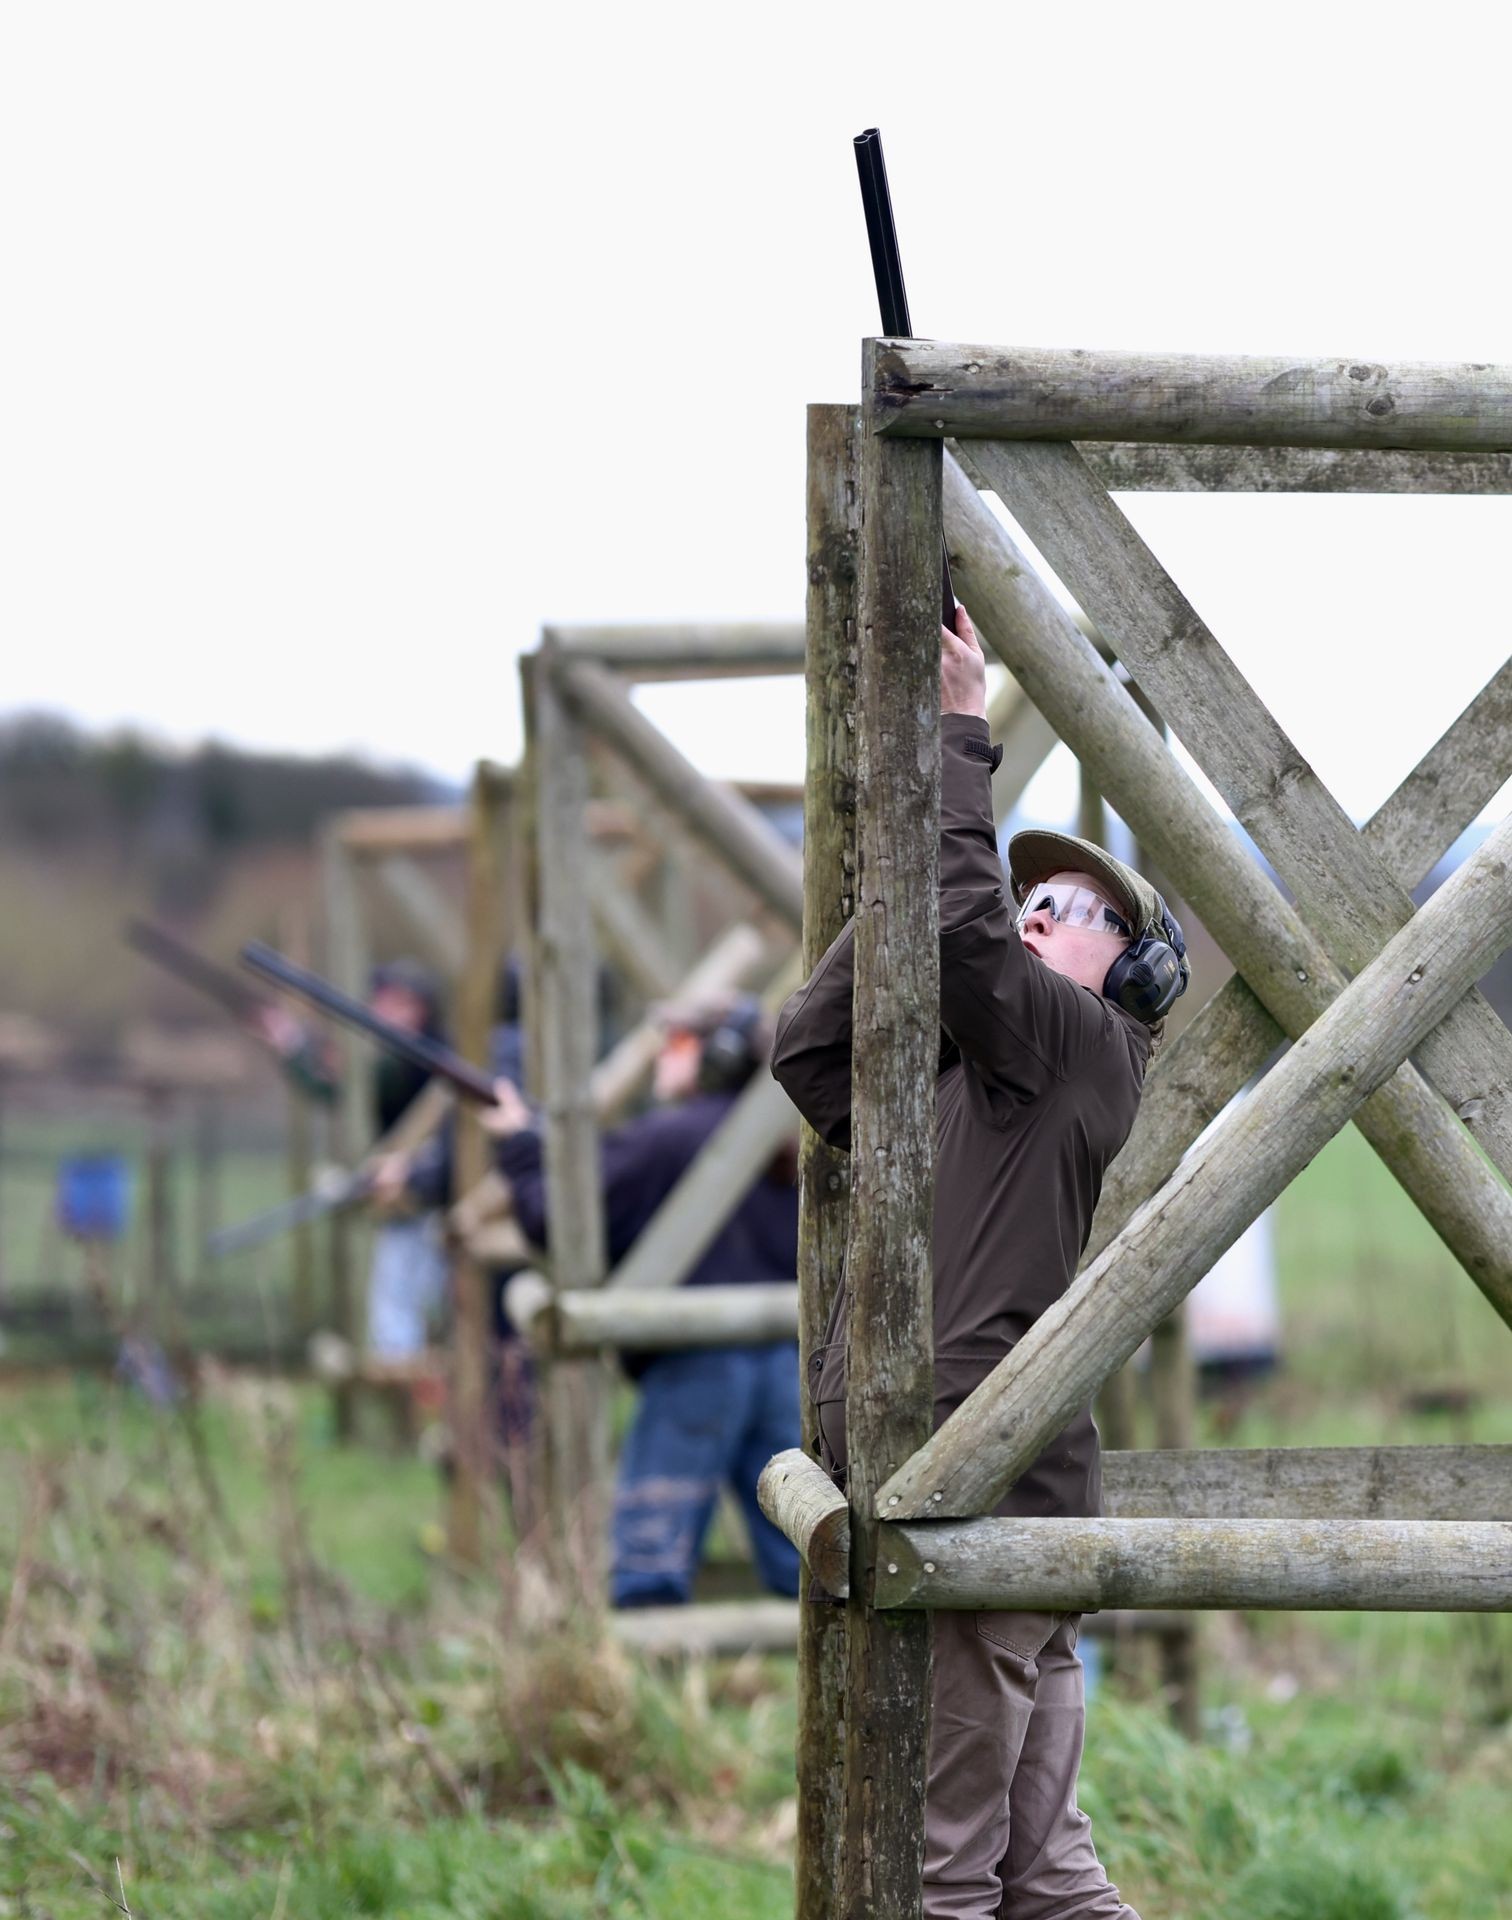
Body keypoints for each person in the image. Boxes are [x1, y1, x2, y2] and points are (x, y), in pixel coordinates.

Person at [771, 605, 1188, 1920]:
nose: (1035, 913)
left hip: (983, 1474)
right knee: (1042, 1877)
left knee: (945, 1872)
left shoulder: (1073, 1043)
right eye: (1030, 896)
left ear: (1135, 975)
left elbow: (959, 936)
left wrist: (959, 725)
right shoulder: (972, 1077)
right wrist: (903, 878)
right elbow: (811, 1052)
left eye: (1069, 911)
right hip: (994, 1474)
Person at [484, 995, 803, 1608]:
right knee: (802, 1564)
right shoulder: (788, 1139)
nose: (663, 1054)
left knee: (646, 1566)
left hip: (694, 1365)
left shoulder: (669, 1136)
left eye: (678, 1042)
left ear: (716, 1057)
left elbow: (563, 1219)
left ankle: (643, 1685)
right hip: (782, 1362)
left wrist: (519, 1150)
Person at [363, 958, 451, 1359]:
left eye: (397, 1003)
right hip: (410, 1194)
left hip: (437, 1195)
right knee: (397, 1303)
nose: (386, 1013)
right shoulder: (393, 1062)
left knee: (416, 1298)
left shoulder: (434, 1057)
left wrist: (413, 1171)